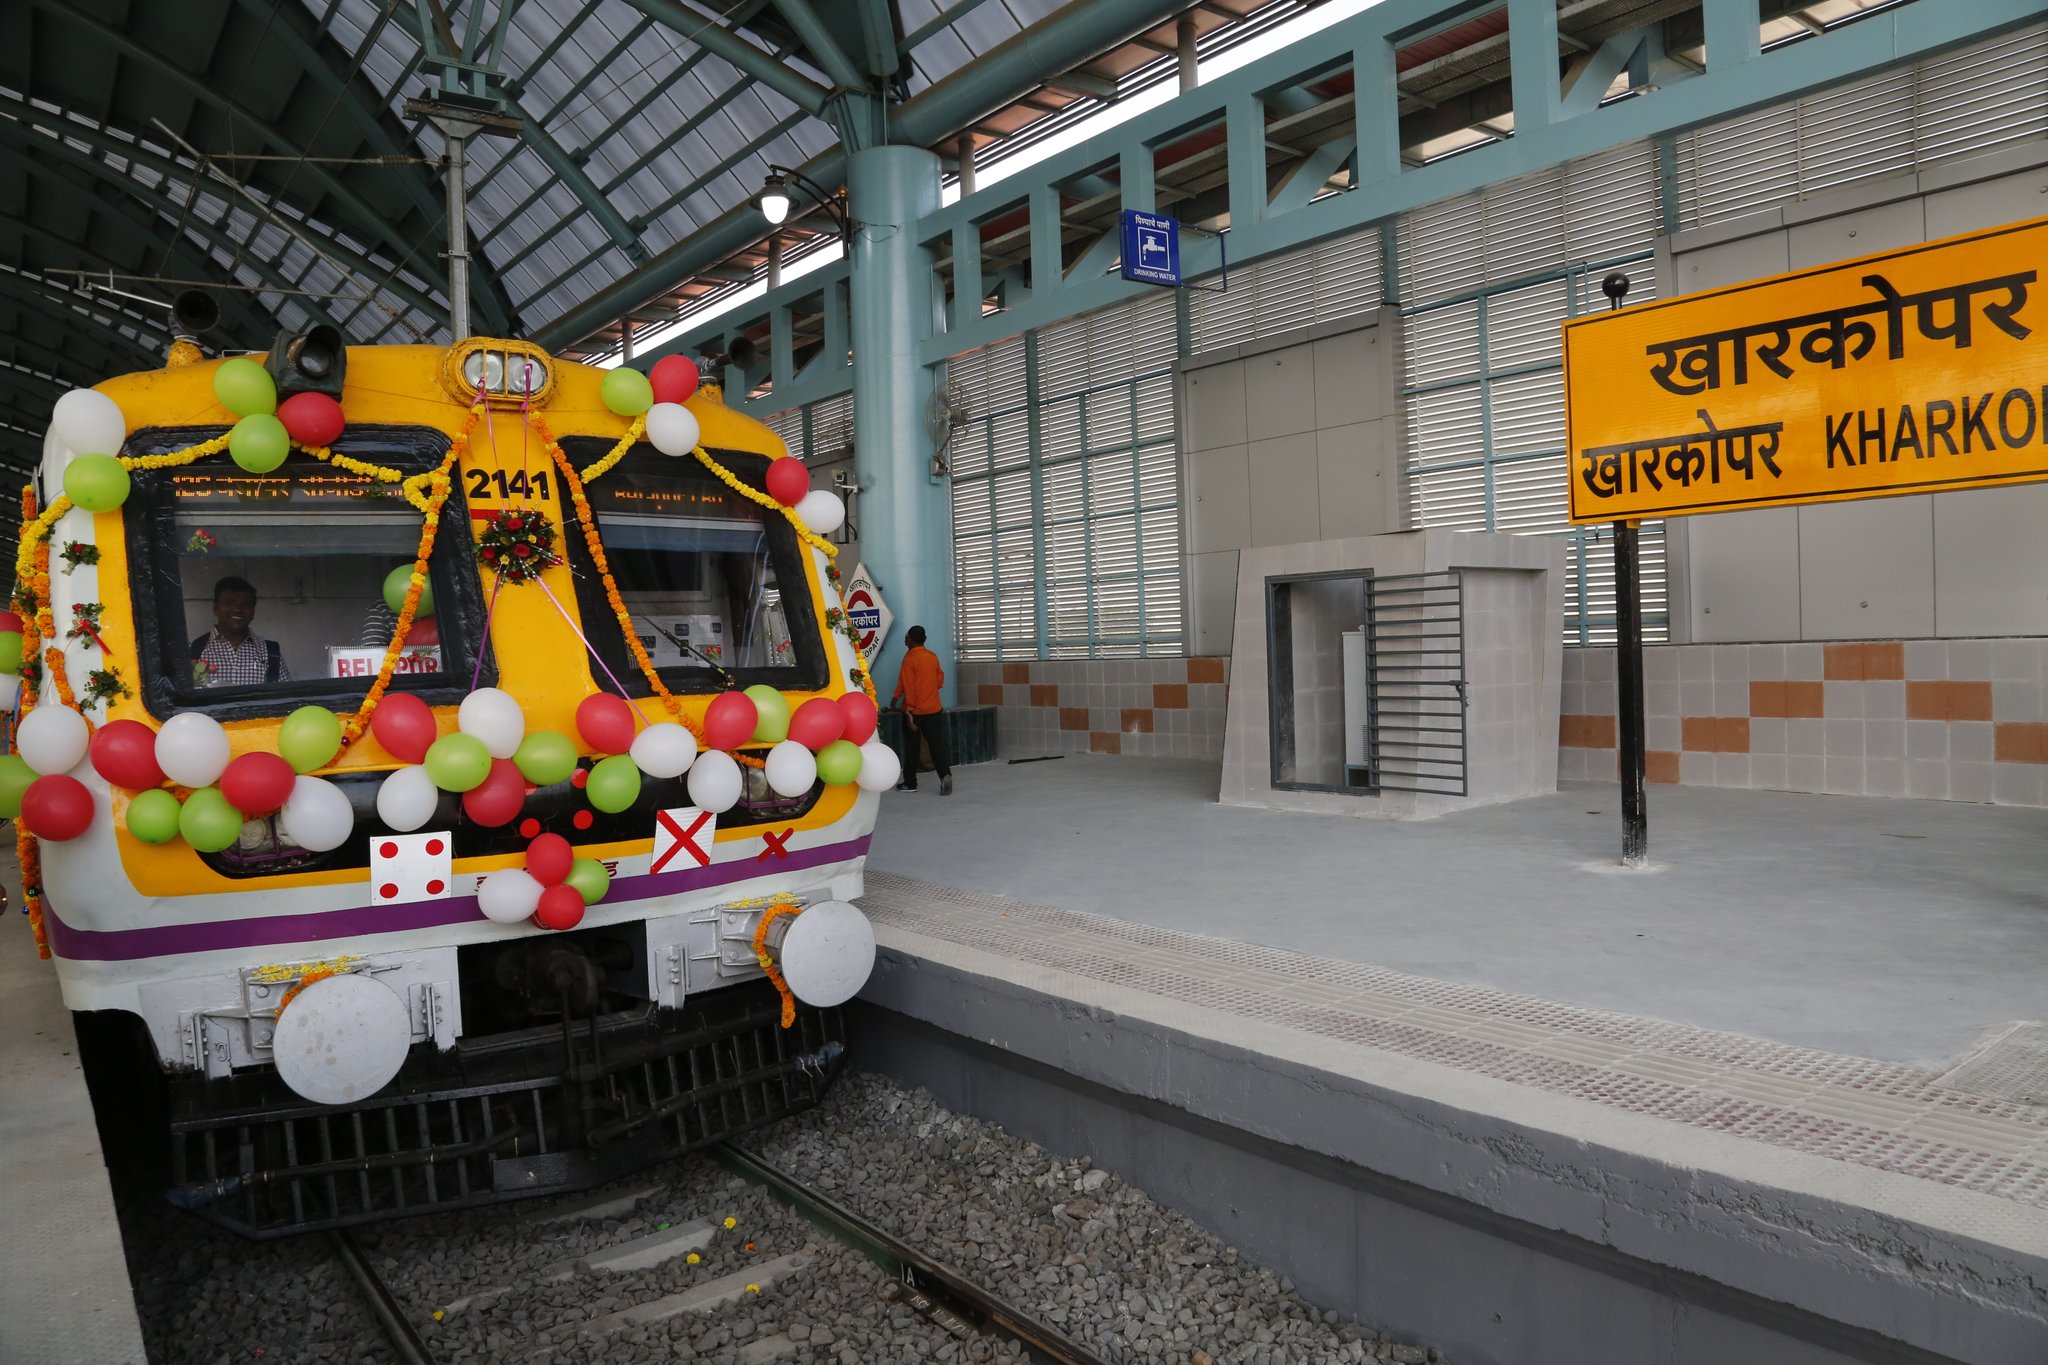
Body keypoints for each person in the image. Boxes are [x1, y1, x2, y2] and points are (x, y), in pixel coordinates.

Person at [191, 575, 291, 686]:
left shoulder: (270, 653)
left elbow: (286, 698)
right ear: (216, 609)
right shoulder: (194, 652)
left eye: (246, 604)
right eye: (229, 602)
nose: (238, 609)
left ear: (252, 612)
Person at [890, 624, 952, 795]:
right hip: (934, 709)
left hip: (915, 712)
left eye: (906, 638)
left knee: (912, 748)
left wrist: (908, 710)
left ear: (910, 640)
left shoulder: (909, 659)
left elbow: (908, 686)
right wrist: (927, 689)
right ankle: (945, 775)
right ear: (924, 639)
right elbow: (940, 680)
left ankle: (910, 783)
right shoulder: (932, 657)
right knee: (937, 746)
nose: (904, 641)